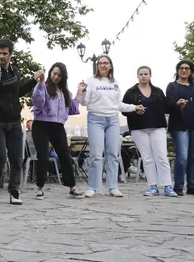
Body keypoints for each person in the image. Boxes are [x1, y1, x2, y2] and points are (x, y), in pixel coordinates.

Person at [0, 38, 40, 205]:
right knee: (0, 156)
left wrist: (33, 79)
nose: (1, 56)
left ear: (10, 54)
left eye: (4, 53)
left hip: (14, 121)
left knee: (17, 158)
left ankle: (14, 192)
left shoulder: (15, 72)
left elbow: (19, 92)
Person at [80, 55, 144, 198]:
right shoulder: (91, 81)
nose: (102, 65)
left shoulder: (115, 83)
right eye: (100, 63)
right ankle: (93, 187)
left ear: (110, 66)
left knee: (113, 154)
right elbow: (84, 103)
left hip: (113, 120)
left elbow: (118, 105)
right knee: (96, 155)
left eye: (105, 63)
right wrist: (83, 92)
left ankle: (113, 186)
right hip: (95, 119)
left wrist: (134, 107)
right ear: (97, 66)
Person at [31, 62, 86, 200]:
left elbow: (72, 109)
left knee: (65, 156)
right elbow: (38, 102)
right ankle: (39, 188)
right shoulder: (43, 87)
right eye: (54, 74)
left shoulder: (65, 92)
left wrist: (79, 92)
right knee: (43, 155)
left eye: (59, 75)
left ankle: (72, 187)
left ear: (63, 77)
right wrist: (41, 82)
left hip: (58, 126)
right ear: (50, 73)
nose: (56, 77)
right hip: (41, 124)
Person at [122, 66, 178, 197]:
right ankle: (152, 186)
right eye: (141, 74)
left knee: (161, 156)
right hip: (138, 128)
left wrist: (177, 104)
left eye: (146, 74)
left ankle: (167, 186)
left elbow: (167, 106)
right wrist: (135, 110)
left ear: (150, 75)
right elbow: (124, 109)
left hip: (157, 126)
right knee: (147, 158)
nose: (143, 76)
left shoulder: (157, 91)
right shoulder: (131, 92)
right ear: (137, 76)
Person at [166, 60, 194, 196]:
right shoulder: (172, 86)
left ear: (191, 71)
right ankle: (178, 186)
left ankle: (192, 185)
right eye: (181, 68)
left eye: (187, 68)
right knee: (182, 156)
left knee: (193, 156)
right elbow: (168, 105)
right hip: (179, 125)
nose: (184, 70)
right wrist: (177, 104)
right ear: (177, 71)